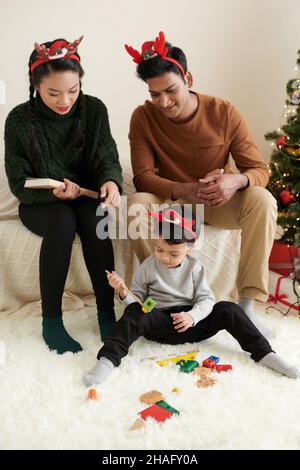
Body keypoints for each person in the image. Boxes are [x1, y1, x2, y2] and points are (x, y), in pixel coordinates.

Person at [125, 31, 277, 339]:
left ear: (188, 79)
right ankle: (156, 298)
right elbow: (142, 176)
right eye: (155, 95)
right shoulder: (142, 117)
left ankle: (247, 306)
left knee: (262, 199)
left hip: (218, 204)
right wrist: (183, 189)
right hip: (174, 206)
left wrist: (236, 180)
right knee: (137, 202)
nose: (163, 102)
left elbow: (259, 170)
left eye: (170, 90)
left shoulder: (225, 112)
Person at [83, 205, 299, 386]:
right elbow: (137, 304)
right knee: (134, 313)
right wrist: (122, 290)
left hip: (193, 324)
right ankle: (108, 360)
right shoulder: (148, 267)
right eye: (159, 249)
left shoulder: (195, 268)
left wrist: (192, 317)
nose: (164, 258)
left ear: (189, 248)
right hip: (160, 324)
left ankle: (265, 354)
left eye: (173, 253)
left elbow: (206, 300)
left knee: (229, 308)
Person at [4, 36, 122, 354]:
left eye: (73, 90)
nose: (65, 100)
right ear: (36, 85)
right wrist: (54, 190)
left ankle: (106, 314)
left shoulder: (95, 110)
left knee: (94, 217)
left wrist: (110, 181)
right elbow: (18, 181)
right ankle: (51, 322)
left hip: (83, 195)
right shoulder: (18, 120)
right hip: (40, 204)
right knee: (62, 221)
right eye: (53, 92)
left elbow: (106, 157)